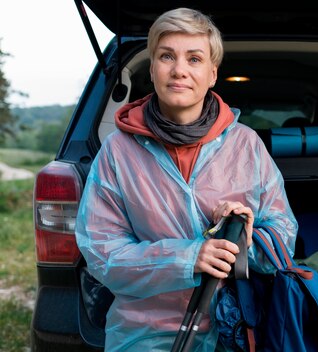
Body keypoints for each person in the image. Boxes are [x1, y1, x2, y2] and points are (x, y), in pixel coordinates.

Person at [74, 7, 298, 351]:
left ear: (212, 74)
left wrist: (246, 239)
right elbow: (103, 255)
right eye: (167, 56)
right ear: (152, 69)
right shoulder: (117, 152)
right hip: (143, 335)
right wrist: (188, 258)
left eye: (194, 59)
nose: (179, 70)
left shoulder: (246, 145)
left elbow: (284, 238)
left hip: (234, 329)